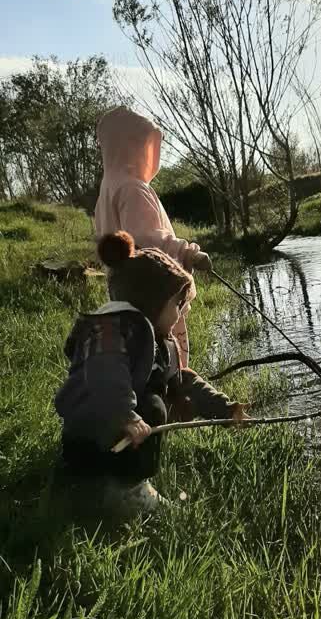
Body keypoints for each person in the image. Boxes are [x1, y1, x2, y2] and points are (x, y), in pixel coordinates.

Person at [54, 231, 249, 513]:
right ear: (151, 302)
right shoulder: (109, 329)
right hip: (87, 440)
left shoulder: (156, 342)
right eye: (177, 305)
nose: (182, 313)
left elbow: (183, 381)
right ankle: (128, 490)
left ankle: (109, 484)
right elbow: (104, 373)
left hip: (114, 438)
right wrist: (126, 415)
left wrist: (226, 409)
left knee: (161, 398)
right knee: (153, 406)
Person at [95, 105, 209, 367]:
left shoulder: (108, 187)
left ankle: (153, 402)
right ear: (129, 146)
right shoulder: (132, 188)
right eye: (141, 144)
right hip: (158, 295)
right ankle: (177, 400)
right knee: (171, 358)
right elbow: (148, 240)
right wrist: (189, 252)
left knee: (143, 361)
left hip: (127, 295)